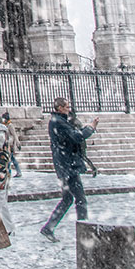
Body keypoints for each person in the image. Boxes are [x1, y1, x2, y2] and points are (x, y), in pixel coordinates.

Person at [40, 96, 98, 241]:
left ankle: (49, 227)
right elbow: (77, 137)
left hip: (64, 165)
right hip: (68, 166)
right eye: (66, 107)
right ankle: (84, 231)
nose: (69, 109)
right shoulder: (59, 122)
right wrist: (90, 127)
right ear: (59, 108)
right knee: (80, 199)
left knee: (67, 199)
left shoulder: (58, 121)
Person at [3, 110, 22, 178]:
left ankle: (10, 173)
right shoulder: (5, 125)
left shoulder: (10, 125)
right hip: (7, 144)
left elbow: (14, 135)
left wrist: (17, 143)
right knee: (11, 159)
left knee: (10, 159)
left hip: (10, 145)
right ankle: (17, 172)